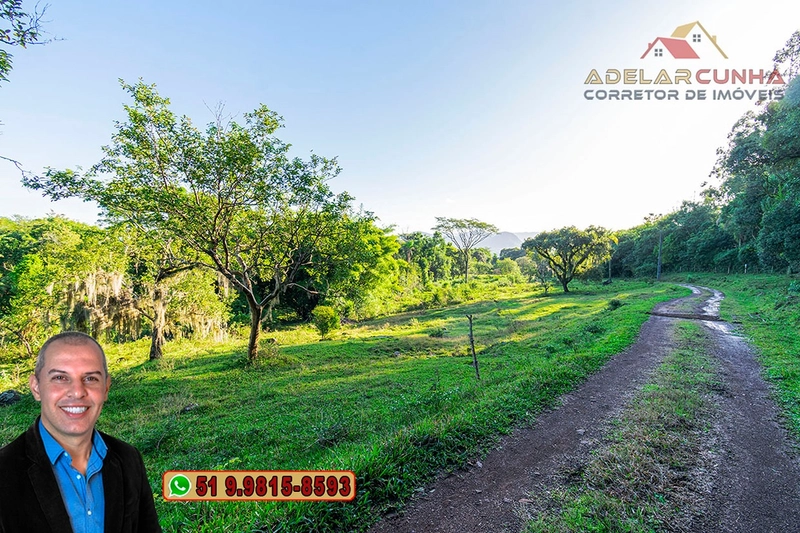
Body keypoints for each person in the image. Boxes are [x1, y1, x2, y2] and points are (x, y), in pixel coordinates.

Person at [0, 331, 161, 533]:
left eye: (91, 378)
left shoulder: (129, 459)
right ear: (36, 387)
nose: (77, 392)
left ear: (106, 388)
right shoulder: (4, 471)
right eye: (60, 377)